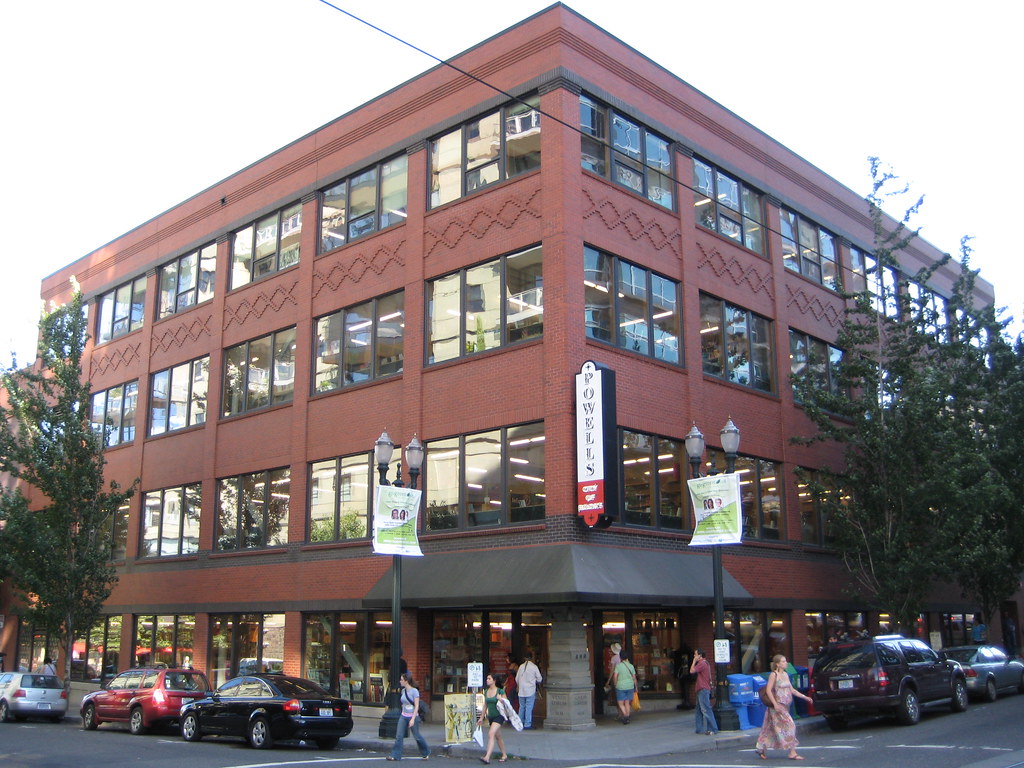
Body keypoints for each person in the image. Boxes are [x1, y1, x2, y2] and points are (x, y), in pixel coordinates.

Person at [755, 654, 813, 760]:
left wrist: (805, 697)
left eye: (785, 661)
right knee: (791, 725)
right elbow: (768, 690)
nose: (786, 663)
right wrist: (775, 704)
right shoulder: (774, 675)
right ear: (777, 664)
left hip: (786, 706)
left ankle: (760, 748)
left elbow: (792, 690)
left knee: (769, 727)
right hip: (778, 706)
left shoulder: (786, 674)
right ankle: (792, 752)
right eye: (783, 661)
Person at [387, 672, 430, 761]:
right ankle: (395, 755)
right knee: (399, 736)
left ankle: (426, 752)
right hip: (403, 716)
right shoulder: (403, 691)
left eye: (401, 680)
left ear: (406, 681)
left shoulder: (414, 691)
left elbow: (416, 706)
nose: (400, 681)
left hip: (413, 716)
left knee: (417, 736)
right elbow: (403, 703)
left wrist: (413, 719)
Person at [476, 673, 508, 764]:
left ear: (494, 680)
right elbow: (485, 705)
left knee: (491, 734)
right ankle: (504, 755)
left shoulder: (500, 691)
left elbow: (507, 703)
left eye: (489, 679)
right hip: (491, 717)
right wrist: (481, 717)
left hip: (499, 716)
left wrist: (500, 699)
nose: (487, 680)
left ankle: (487, 757)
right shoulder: (486, 691)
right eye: (487, 678)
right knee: (498, 736)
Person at [690, 648, 718, 736]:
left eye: (695, 654)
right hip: (701, 689)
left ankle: (713, 728)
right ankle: (699, 729)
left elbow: (692, 671)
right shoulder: (705, 663)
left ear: (700, 656)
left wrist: (694, 661)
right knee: (699, 710)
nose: (694, 656)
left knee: (706, 709)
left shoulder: (702, 663)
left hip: (703, 689)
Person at [516, 651, 543, 730]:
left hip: (521, 690)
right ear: (532, 658)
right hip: (530, 690)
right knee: (529, 707)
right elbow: (539, 679)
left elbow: (517, 679)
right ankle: (527, 724)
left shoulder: (521, 667)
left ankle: (520, 723)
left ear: (524, 658)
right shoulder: (534, 667)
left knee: (522, 707)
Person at [611, 650, 638, 724]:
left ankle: (625, 716)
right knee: (627, 703)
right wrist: (636, 687)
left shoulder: (618, 666)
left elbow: (615, 676)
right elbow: (634, 678)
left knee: (620, 703)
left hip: (621, 686)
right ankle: (627, 717)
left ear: (620, 657)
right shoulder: (631, 666)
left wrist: (615, 684)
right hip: (630, 686)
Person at [673, 642, 694, 709]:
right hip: (685, 673)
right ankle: (686, 701)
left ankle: (686, 701)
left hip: (685, 673)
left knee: (685, 686)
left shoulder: (681, 653)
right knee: (685, 686)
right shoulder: (689, 653)